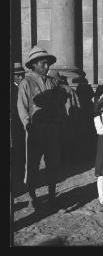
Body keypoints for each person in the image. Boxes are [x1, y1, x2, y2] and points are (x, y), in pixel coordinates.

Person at [17, 46, 64, 210]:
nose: (46, 67)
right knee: (33, 165)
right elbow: (22, 106)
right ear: (34, 64)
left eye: (48, 64)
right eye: (43, 64)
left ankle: (52, 196)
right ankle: (33, 197)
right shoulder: (26, 83)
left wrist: (57, 119)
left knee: (52, 163)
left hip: (51, 129)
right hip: (35, 129)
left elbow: (58, 104)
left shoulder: (51, 82)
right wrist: (28, 125)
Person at [11, 62, 26, 192]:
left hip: (23, 127)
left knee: (21, 154)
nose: (20, 78)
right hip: (14, 127)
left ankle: (20, 180)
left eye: (22, 75)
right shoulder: (11, 89)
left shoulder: (24, 88)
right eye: (17, 76)